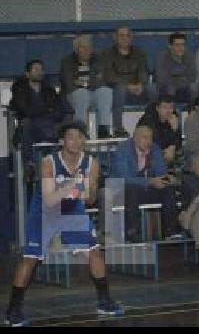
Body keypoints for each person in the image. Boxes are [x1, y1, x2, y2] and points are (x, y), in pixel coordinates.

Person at [5, 122, 123, 327]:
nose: (76, 141)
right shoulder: (49, 162)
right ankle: (12, 310)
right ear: (62, 141)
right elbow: (50, 199)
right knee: (30, 259)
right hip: (45, 213)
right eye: (71, 137)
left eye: (80, 137)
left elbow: (90, 199)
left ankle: (105, 301)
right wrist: (73, 183)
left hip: (72, 210)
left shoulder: (91, 162)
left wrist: (88, 188)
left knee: (95, 252)